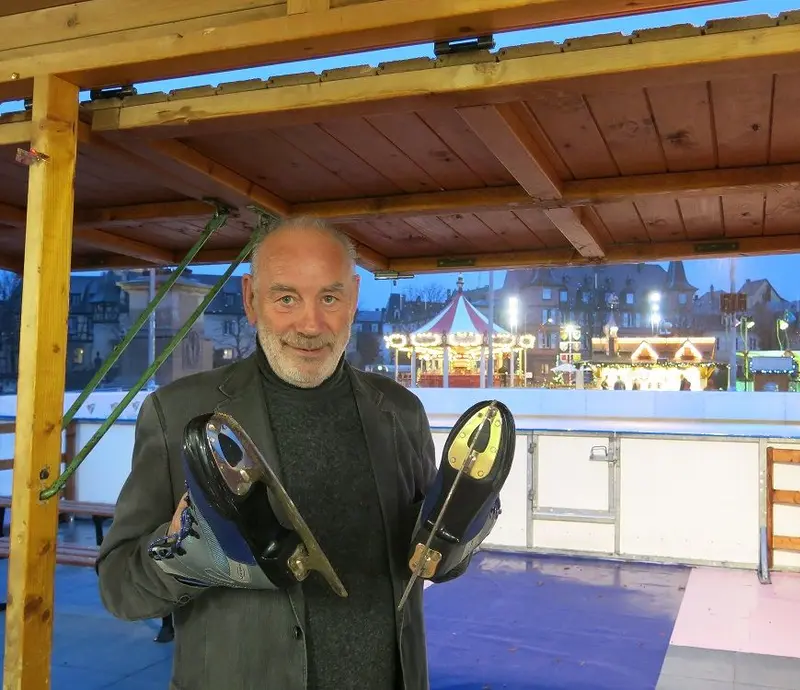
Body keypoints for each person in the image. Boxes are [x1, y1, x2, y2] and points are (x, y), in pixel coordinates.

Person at [96, 216, 506, 690]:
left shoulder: (400, 412)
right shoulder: (178, 414)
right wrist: (184, 554)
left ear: (353, 298)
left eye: (329, 298)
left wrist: (461, 530)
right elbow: (119, 588)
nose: (310, 325)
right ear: (251, 299)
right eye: (286, 298)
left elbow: (430, 558)